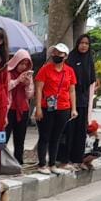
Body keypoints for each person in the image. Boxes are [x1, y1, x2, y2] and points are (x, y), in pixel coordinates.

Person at [33, 43, 78, 174]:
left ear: (65, 56)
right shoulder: (45, 69)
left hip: (63, 107)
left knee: (56, 136)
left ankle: (52, 163)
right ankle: (42, 164)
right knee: (44, 136)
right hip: (47, 106)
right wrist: (38, 108)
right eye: (55, 53)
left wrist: (73, 108)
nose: (56, 55)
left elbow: (72, 91)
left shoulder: (69, 71)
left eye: (60, 53)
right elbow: (39, 88)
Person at [64, 34, 97, 167]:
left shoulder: (89, 61)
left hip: (83, 101)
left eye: (86, 43)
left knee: (80, 131)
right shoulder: (71, 59)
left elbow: (91, 82)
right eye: (81, 43)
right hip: (69, 101)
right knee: (69, 131)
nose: (84, 46)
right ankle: (66, 159)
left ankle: (78, 159)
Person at [5, 49, 34, 165]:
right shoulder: (7, 73)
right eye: (21, 63)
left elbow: (30, 95)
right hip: (8, 109)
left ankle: (18, 162)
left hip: (23, 109)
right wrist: (17, 81)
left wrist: (27, 85)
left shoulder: (28, 76)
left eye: (26, 64)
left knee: (20, 138)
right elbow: (5, 88)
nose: (23, 67)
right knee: (4, 136)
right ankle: (1, 161)